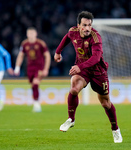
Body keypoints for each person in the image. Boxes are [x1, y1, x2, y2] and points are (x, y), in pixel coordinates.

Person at [54, 11, 122, 143]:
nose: (87, 28)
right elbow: (67, 37)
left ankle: (115, 129)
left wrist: (80, 67)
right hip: (83, 70)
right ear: (78, 25)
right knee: (74, 88)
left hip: (98, 72)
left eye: (89, 25)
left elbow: (96, 58)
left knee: (105, 103)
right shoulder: (72, 31)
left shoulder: (96, 37)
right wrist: (58, 52)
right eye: (84, 25)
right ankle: (71, 119)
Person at [14, 27, 51, 112]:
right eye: (29, 33)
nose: (31, 35)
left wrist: (46, 69)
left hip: (39, 68)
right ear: (27, 34)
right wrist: (17, 67)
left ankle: (37, 105)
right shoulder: (24, 44)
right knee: (33, 85)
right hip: (30, 68)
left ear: (36, 34)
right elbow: (20, 55)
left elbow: (47, 56)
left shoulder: (41, 43)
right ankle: (36, 102)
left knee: (35, 83)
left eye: (32, 33)